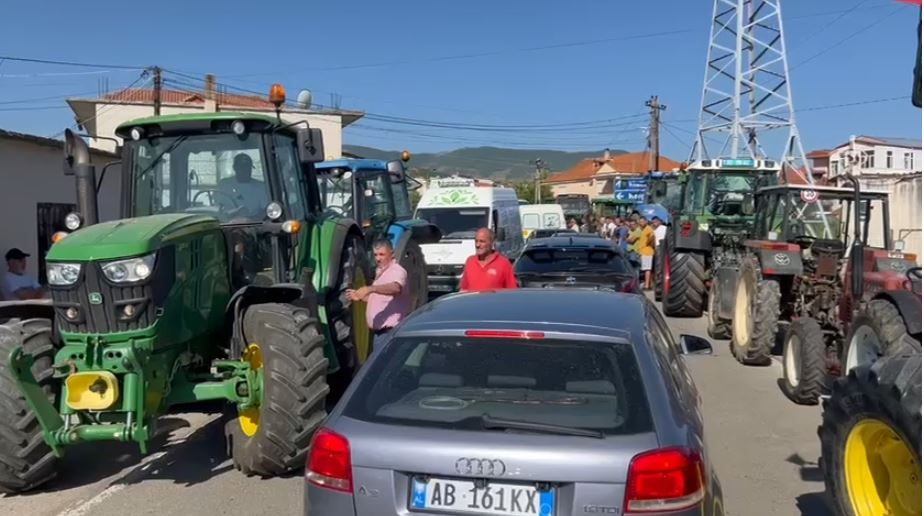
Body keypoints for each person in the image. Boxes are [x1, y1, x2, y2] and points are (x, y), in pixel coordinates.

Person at [346, 239, 410, 349]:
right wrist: (360, 296)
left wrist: (370, 289)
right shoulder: (381, 272)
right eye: (375, 255)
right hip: (380, 334)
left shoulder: (397, 271)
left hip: (389, 333)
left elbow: (396, 288)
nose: (378, 258)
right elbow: (380, 300)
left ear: (392, 254)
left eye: (382, 254)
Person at [217, 153, 269, 218]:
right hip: (227, 222)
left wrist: (251, 220)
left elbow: (265, 210)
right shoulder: (224, 184)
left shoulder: (261, 186)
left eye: (247, 168)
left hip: (254, 224)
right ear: (234, 168)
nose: (245, 171)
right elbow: (218, 207)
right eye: (242, 168)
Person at [637, 217, 656, 289]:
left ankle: (647, 285)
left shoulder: (648, 228)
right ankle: (647, 283)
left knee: (647, 269)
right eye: (640, 222)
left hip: (647, 251)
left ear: (646, 222)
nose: (641, 223)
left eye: (642, 222)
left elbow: (652, 236)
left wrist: (648, 242)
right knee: (645, 268)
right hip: (643, 251)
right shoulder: (643, 229)